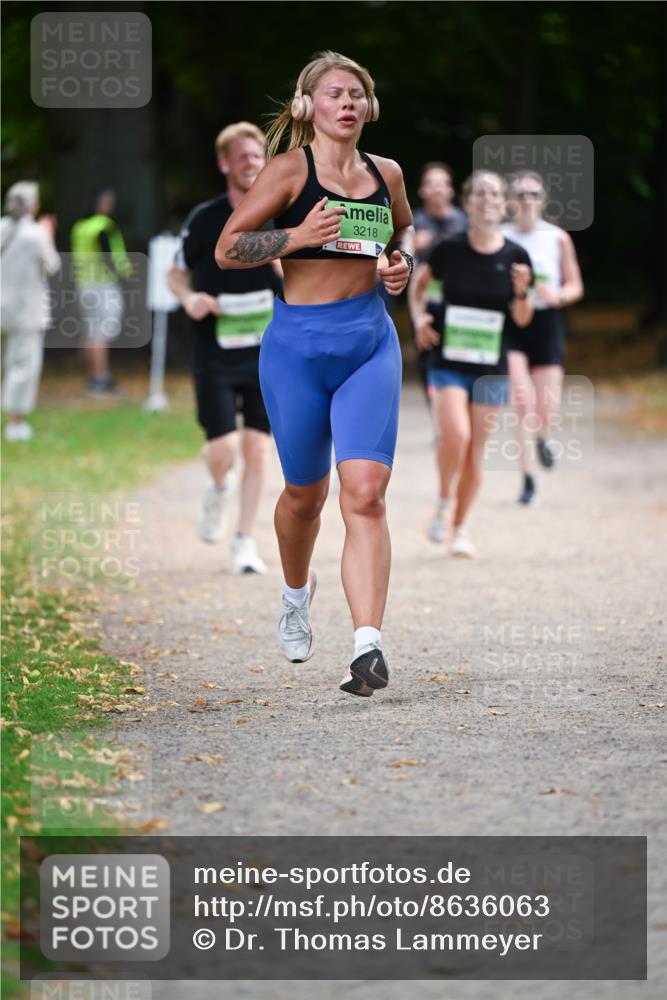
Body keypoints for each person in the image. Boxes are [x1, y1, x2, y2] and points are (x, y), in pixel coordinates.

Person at [215, 51, 413, 696]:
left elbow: (402, 234)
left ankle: (368, 647)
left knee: (365, 492)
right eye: (334, 93)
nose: (348, 103)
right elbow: (228, 248)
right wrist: (295, 237)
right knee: (305, 496)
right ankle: (296, 592)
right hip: (297, 348)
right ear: (308, 106)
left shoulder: (388, 174)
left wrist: (399, 265)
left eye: (357, 93)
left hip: (368, 343)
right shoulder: (286, 172)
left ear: (370, 107)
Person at [168, 122, 281, 574]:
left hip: (266, 349)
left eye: (257, 156)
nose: (251, 163)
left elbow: (301, 278)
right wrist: (189, 298)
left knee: (257, 449)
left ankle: (244, 541)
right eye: (242, 157)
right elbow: (176, 273)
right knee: (223, 451)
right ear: (224, 164)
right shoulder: (205, 218)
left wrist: (280, 264)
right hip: (215, 348)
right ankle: (218, 489)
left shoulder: (280, 213)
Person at [409, 170, 533, 557]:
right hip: (448, 358)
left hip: (491, 365)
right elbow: (418, 288)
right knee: (455, 436)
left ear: (504, 204)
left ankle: (460, 528)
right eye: (480, 193)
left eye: (495, 194)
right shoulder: (449, 249)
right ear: (468, 203)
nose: (488, 199)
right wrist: (419, 320)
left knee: (474, 450)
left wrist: (520, 292)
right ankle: (445, 497)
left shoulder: (516, 256)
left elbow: (524, 317)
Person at [502, 171, 584, 505]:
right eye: (520, 194)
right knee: (523, 402)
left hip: (547, 323)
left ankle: (542, 437)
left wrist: (559, 296)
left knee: (545, 409)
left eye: (533, 194)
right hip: (513, 324)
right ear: (510, 201)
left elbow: (576, 285)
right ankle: (528, 480)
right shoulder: (501, 237)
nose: (526, 201)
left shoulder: (557, 238)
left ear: (543, 200)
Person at [1, 182, 60, 441]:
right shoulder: (36, 234)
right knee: (23, 365)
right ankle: (16, 423)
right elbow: (52, 265)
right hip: (26, 310)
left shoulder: (1, 228)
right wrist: (49, 234)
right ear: (33, 205)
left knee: (6, 364)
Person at [409, 162, 467, 414]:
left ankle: (457, 408)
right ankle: (438, 412)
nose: (436, 189)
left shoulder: (464, 221)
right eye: (430, 183)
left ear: (451, 190)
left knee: (458, 354)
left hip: (460, 301)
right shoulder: (413, 221)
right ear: (422, 190)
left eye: (441, 183)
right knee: (427, 359)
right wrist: (414, 248)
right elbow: (402, 259)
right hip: (425, 299)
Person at [70, 189, 132, 397]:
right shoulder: (104, 226)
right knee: (101, 332)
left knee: (90, 331)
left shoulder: (80, 227)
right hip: (103, 284)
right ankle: (101, 378)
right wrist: (123, 274)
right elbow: (109, 255)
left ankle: (90, 376)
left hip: (84, 284)